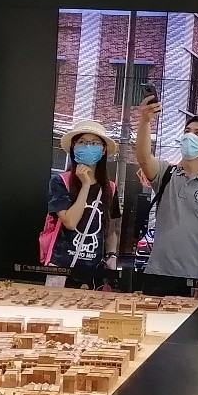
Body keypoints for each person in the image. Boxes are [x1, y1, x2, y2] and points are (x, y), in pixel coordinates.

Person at [135, 97, 198, 298]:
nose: (189, 136)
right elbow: (144, 158)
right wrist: (145, 121)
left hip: (192, 279)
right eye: (187, 131)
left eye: (197, 133)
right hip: (156, 274)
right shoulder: (166, 174)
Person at [40, 120, 122, 289]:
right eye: (82, 142)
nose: (88, 147)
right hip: (62, 269)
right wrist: (85, 185)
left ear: (103, 150)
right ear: (74, 147)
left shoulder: (110, 188)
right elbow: (70, 222)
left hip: (94, 273)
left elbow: (110, 229)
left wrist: (112, 255)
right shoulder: (60, 182)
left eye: (94, 143)